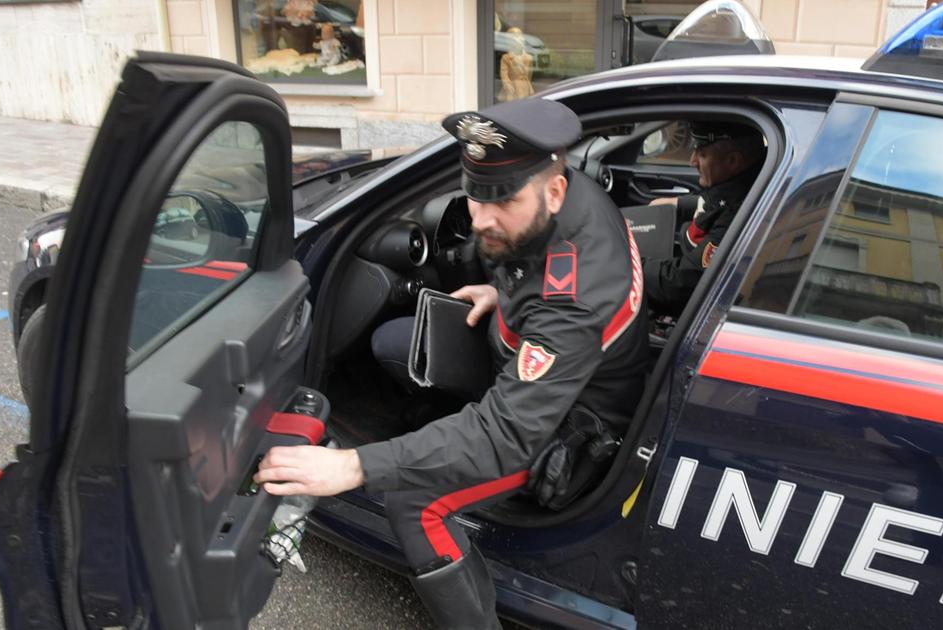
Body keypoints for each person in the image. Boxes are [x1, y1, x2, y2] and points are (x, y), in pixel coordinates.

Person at [254, 99, 648, 629]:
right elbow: (538, 270)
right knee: (397, 342)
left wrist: (352, 466)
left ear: (553, 192)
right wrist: (500, 292)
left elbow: (507, 435)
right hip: (542, 365)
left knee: (414, 499)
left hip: (568, 428)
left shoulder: (575, 294)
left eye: (502, 200)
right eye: (474, 194)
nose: (481, 219)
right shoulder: (569, 194)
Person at [642, 121, 765, 315]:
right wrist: (678, 204)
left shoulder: (739, 215)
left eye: (702, 154)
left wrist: (626, 263)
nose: (692, 161)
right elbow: (715, 202)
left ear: (733, 161)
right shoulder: (746, 182)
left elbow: (680, 284)